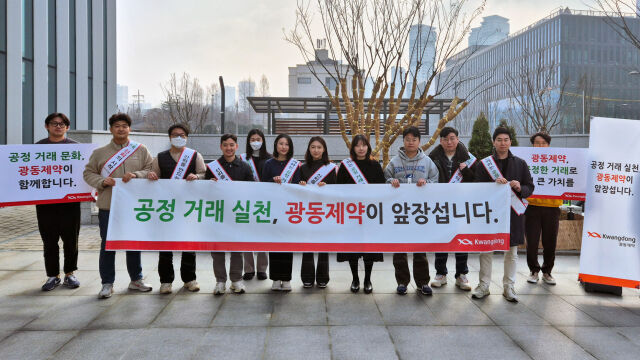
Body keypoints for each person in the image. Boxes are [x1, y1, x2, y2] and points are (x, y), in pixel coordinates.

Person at [83, 113, 154, 299]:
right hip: (109, 205)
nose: (121, 129)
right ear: (111, 129)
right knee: (108, 244)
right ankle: (107, 283)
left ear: (129, 128)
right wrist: (102, 180)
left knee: (133, 242)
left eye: (124, 125)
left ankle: (136, 279)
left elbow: (151, 170)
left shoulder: (140, 150)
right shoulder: (100, 153)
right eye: (117, 126)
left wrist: (137, 174)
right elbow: (88, 173)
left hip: (134, 205)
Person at [471, 127, 534, 302]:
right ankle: (484, 286)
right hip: (490, 215)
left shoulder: (520, 163)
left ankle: (509, 287)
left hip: (513, 215)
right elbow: (476, 188)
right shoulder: (484, 164)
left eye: (506, 140)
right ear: (493, 142)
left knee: (512, 252)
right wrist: (493, 185)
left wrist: (520, 187)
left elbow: (530, 187)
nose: (503, 143)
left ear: (510, 142)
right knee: (486, 250)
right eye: (499, 140)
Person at [147, 123, 206, 294]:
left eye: (182, 135)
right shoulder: (160, 157)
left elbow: (204, 174)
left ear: (186, 137)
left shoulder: (195, 156)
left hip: (188, 207)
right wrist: (152, 175)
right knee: (165, 245)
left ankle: (189, 279)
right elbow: (154, 175)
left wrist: (197, 176)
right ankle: (166, 281)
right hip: (167, 208)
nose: (178, 138)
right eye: (175, 135)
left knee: (189, 244)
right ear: (169, 137)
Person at [384, 126, 439, 296]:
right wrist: (391, 181)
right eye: (407, 139)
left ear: (419, 141)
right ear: (403, 141)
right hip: (399, 211)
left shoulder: (427, 161)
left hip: (419, 212)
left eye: (414, 139)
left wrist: (427, 183)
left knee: (419, 248)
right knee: (399, 248)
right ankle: (402, 282)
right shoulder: (394, 162)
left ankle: (423, 282)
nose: (411, 142)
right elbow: (385, 179)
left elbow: (436, 181)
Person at [36, 113, 81, 291]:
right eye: (54, 124)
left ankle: (70, 274)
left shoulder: (76, 148)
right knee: (49, 241)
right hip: (45, 204)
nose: (58, 126)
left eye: (62, 124)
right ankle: (52, 276)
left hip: (70, 203)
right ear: (47, 126)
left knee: (71, 240)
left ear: (67, 127)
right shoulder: (37, 148)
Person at [205, 133, 254, 295]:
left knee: (236, 249)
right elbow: (204, 192)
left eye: (232, 144)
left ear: (236, 146)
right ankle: (220, 281)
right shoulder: (212, 167)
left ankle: (236, 280)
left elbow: (253, 191)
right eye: (225, 144)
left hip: (237, 214)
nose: (229, 148)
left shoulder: (245, 167)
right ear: (221, 146)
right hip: (217, 214)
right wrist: (210, 185)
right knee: (217, 250)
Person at [336, 134, 385, 294]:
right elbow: (339, 189)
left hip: (369, 214)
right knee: (352, 248)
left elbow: (381, 189)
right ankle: (355, 279)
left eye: (364, 145)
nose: (361, 148)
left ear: (368, 147)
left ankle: (368, 279)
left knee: (369, 248)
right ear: (353, 148)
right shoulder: (345, 166)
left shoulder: (375, 165)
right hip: (351, 214)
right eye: (358, 145)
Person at [428, 126, 475, 291]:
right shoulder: (432, 158)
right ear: (440, 141)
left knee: (461, 239)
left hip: (461, 205)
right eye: (446, 139)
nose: (449, 142)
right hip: (440, 206)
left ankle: (461, 274)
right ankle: (440, 273)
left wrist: (467, 171)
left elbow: (476, 182)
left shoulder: (469, 158)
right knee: (442, 239)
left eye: (452, 138)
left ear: (458, 139)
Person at [262, 134, 301, 292]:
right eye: (281, 143)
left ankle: (286, 278)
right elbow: (263, 186)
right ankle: (275, 278)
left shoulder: (295, 165)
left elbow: (298, 185)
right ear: (276, 145)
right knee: (275, 244)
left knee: (287, 244)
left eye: (286, 144)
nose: (283, 147)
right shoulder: (268, 164)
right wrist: (273, 182)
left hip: (289, 209)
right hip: (274, 208)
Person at [298, 136, 336, 288]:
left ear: (324, 149)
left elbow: (337, 189)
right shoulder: (303, 167)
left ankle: (322, 278)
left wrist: (327, 186)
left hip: (325, 210)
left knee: (323, 245)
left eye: (319, 147)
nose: (316, 150)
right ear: (309, 149)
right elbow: (296, 190)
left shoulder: (331, 167)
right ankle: (307, 277)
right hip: (307, 210)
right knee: (307, 244)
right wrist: (301, 184)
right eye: (313, 147)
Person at [525, 132, 561, 285]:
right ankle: (534, 270)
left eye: (543, 143)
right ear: (532, 145)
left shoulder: (558, 161)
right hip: (532, 206)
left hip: (552, 207)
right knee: (532, 242)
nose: (540, 146)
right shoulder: (525, 161)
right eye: (537, 143)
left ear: (548, 145)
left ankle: (547, 271)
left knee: (550, 241)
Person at [241, 129, 271, 281]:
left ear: (263, 140)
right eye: (252, 139)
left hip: (265, 202)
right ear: (248, 141)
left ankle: (261, 269)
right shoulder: (242, 159)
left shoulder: (270, 158)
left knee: (263, 235)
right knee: (247, 235)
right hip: (246, 202)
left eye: (258, 139)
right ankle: (248, 269)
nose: (255, 142)